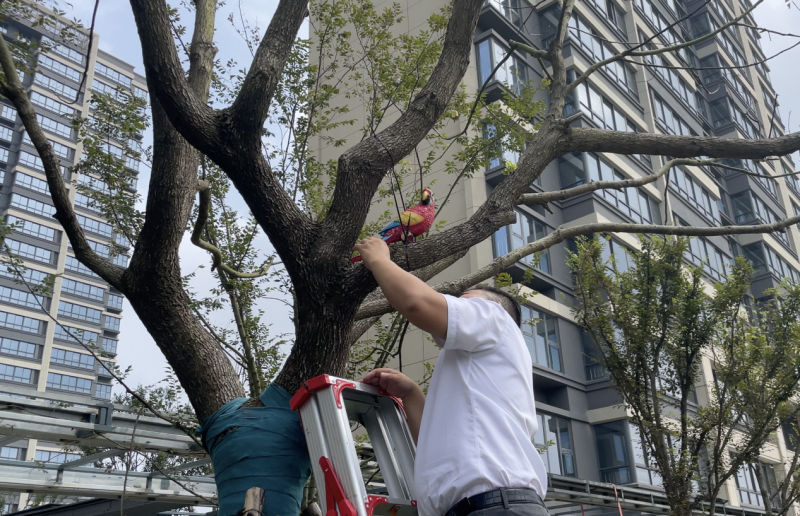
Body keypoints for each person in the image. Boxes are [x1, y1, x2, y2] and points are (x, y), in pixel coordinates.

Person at [355, 237, 549, 516]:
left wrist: (379, 260)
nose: (454, 306)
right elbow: (436, 449)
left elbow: (417, 303)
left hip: (494, 507)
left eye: (464, 303)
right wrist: (411, 394)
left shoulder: (496, 318)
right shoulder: (476, 376)